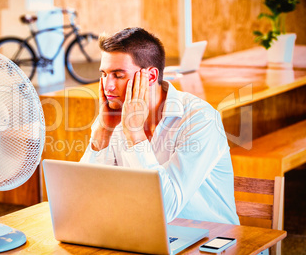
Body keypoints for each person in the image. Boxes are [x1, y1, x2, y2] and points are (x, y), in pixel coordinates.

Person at [80, 27, 239, 225]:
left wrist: (134, 134)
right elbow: (84, 196)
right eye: (104, 74)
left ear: (152, 76)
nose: (107, 85)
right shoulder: (113, 117)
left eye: (118, 75)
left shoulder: (200, 119)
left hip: (212, 240)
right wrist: (103, 133)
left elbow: (166, 208)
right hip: (145, 234)